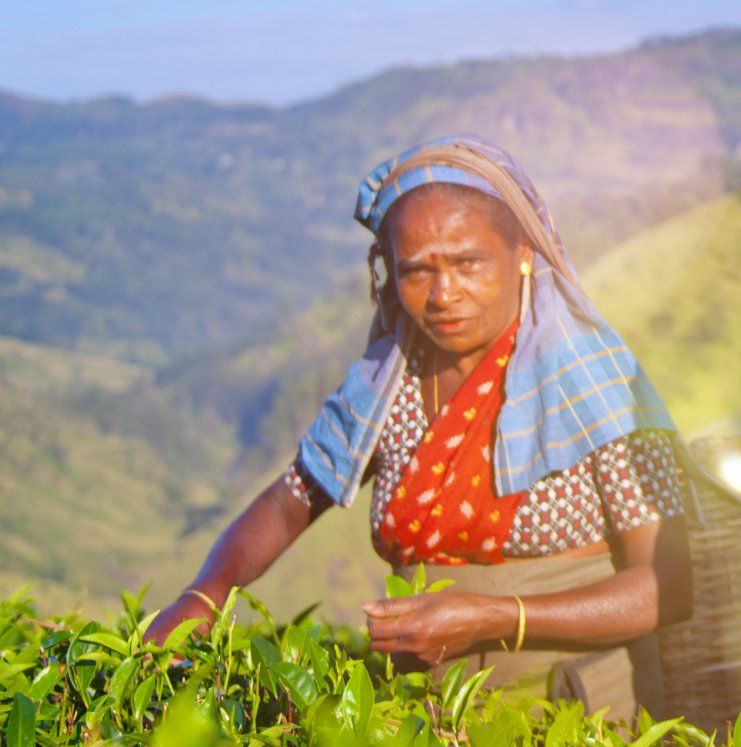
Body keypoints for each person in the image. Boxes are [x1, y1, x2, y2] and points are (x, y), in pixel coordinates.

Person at [148, 135, 692, 713]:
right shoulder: (392, 381)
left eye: (468, 263)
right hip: (424, 719)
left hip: (576, 721)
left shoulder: (595, 383)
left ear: (524, 252)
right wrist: (205, 593)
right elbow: (291, 500)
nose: (443, 294)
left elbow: (669, 586)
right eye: (416, 271)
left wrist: (494, 618)